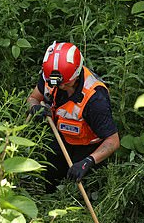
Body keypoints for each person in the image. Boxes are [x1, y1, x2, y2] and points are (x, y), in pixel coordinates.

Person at [27, 41, 120, 190]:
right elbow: (32, 98)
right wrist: (35, 107)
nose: (58, 87)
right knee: (50, 177)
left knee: (83, 189)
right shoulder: (50, 76)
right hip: (60, 137)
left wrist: (88, 161)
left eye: (64, 84)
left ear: (75, 75)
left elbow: (113, 140)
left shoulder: (95, 99)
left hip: (88, 148)